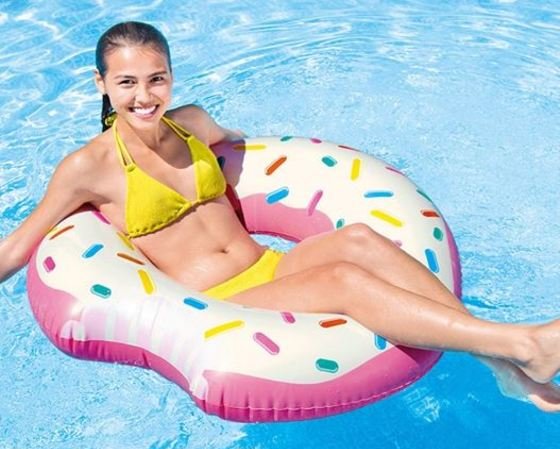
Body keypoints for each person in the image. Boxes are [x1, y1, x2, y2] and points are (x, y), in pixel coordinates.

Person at [1, 21, 559, 412]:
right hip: (220, 303)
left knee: (360, 239)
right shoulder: (89, 167)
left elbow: (239, 141)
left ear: (170, 76)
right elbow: (19, 245)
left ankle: (503, 367)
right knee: (343, 280)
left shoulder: (191, 124)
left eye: (156, 78)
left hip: (270, 267)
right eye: (126, 83)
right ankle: (523, 344)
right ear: (101, 84)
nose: (145, 96)